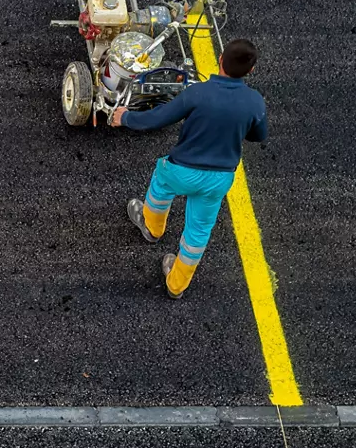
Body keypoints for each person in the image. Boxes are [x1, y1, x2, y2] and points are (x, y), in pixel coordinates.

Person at [110, 38, 268, 299]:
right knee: (199, 230)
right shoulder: (255, 102)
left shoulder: (197, 93)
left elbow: (158, 118)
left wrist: (125, 117)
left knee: (161, 185)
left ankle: (152, 227)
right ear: (251, 71)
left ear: (220, 59)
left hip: (181, 170)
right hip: (218, 179)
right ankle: (176, 283)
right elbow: (258, 136)